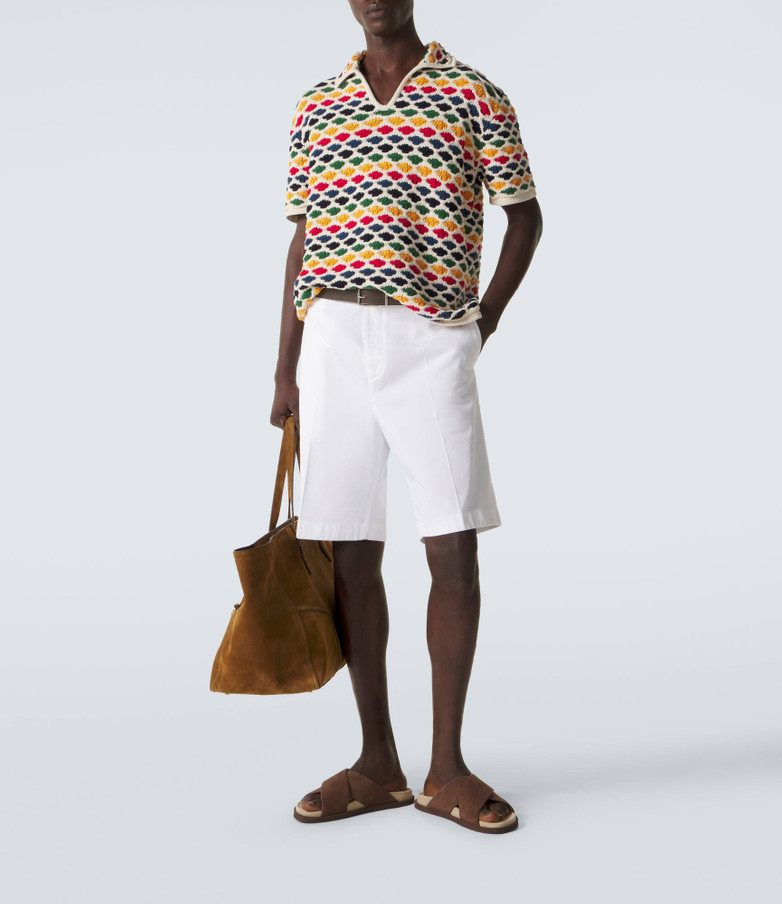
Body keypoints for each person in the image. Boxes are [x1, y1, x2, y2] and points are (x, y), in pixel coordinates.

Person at [270, 0, 543, 834]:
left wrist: (482, 322)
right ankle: (378, 764)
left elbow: (525, 217)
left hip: (432, 335)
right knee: (350, 552)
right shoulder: (317, 105)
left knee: (451, 544)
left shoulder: (474, 93)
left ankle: (446, 767)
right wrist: (284, 368)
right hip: (332, 339)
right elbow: (303, 241)